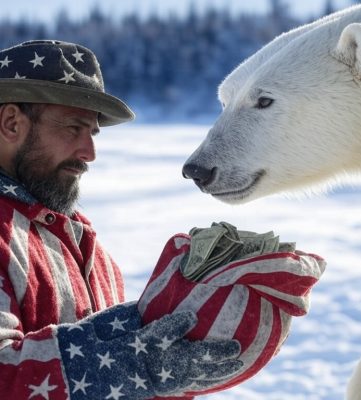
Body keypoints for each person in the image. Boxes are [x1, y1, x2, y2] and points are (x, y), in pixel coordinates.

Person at [0, 40, 243, 400]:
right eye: (72, 128)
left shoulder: (89, 248)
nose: (90, 153)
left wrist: (177, 352)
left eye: (93, 133)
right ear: (10, 123)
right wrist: (133, 367)